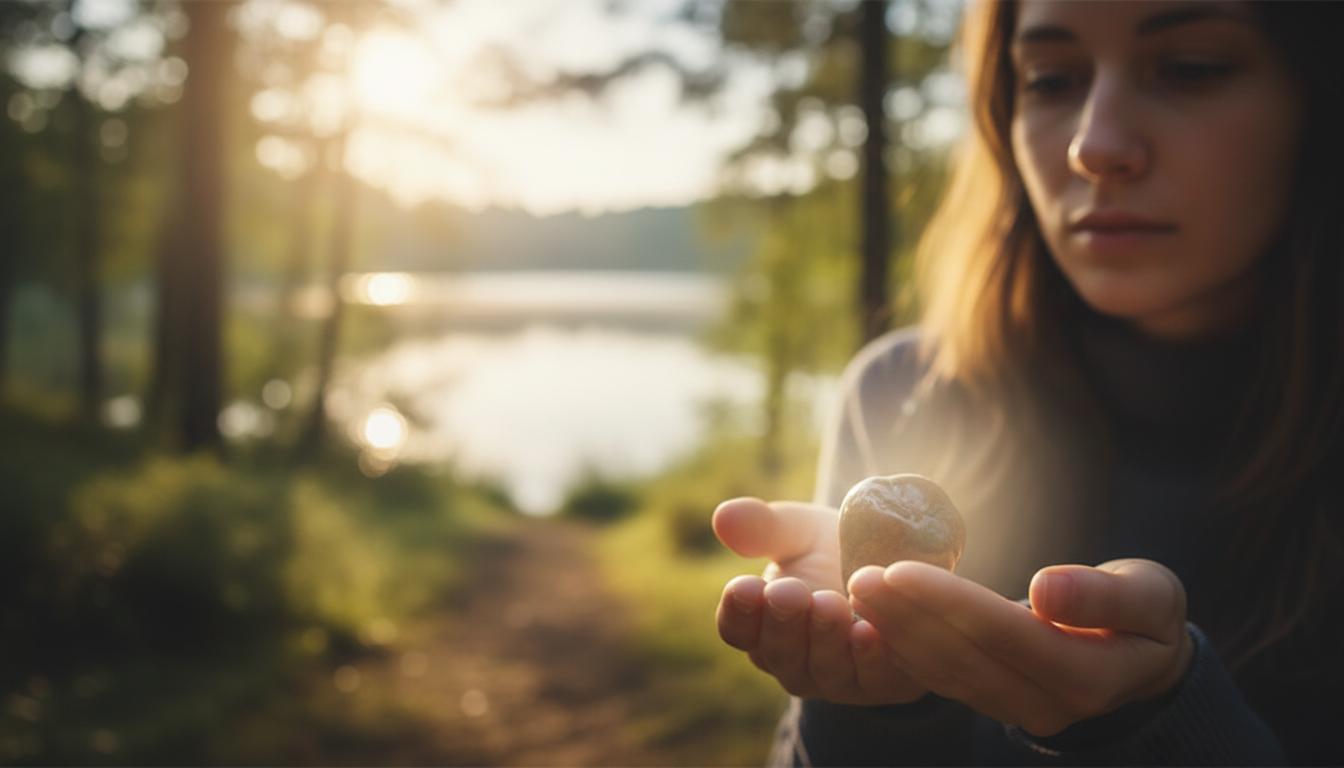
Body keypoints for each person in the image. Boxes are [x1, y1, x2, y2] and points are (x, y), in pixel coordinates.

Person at [710, 1, 1344, 764]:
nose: (1094, 144)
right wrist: (870, 712)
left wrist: (1162, 728)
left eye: (1189, 69)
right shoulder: (904, 390)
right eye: (1051, 78)